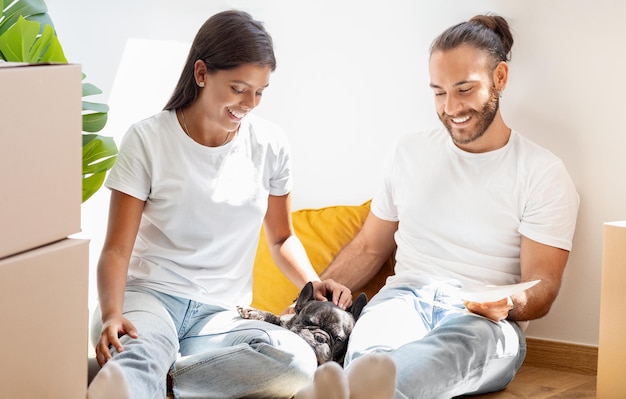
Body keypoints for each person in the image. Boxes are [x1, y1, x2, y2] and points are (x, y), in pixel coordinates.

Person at [308, 14, 580, 399]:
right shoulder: (409, 152)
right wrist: (323, 286)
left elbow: (544, 285)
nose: (451, 107)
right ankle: (364, 387)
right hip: (403, 300)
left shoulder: (543, 172)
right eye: (438, 92)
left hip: (481, 320)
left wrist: (507, 301)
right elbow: (370, 246)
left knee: (453, 350)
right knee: (371, 354)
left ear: (500, 78)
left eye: (464, 89)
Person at [86, 10, 354, 399]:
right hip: (148, 297)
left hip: (220, 316)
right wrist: (112, 313)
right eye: (238, 88)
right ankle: (144, 369)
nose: (249, 103)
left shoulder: (270, 145)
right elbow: (115, 248)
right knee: (141, 354)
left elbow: (281, 239)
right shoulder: (147, 139)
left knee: (296, 359)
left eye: (260, 92)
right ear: (201, 74)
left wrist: (312, 282)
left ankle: (167, 381)